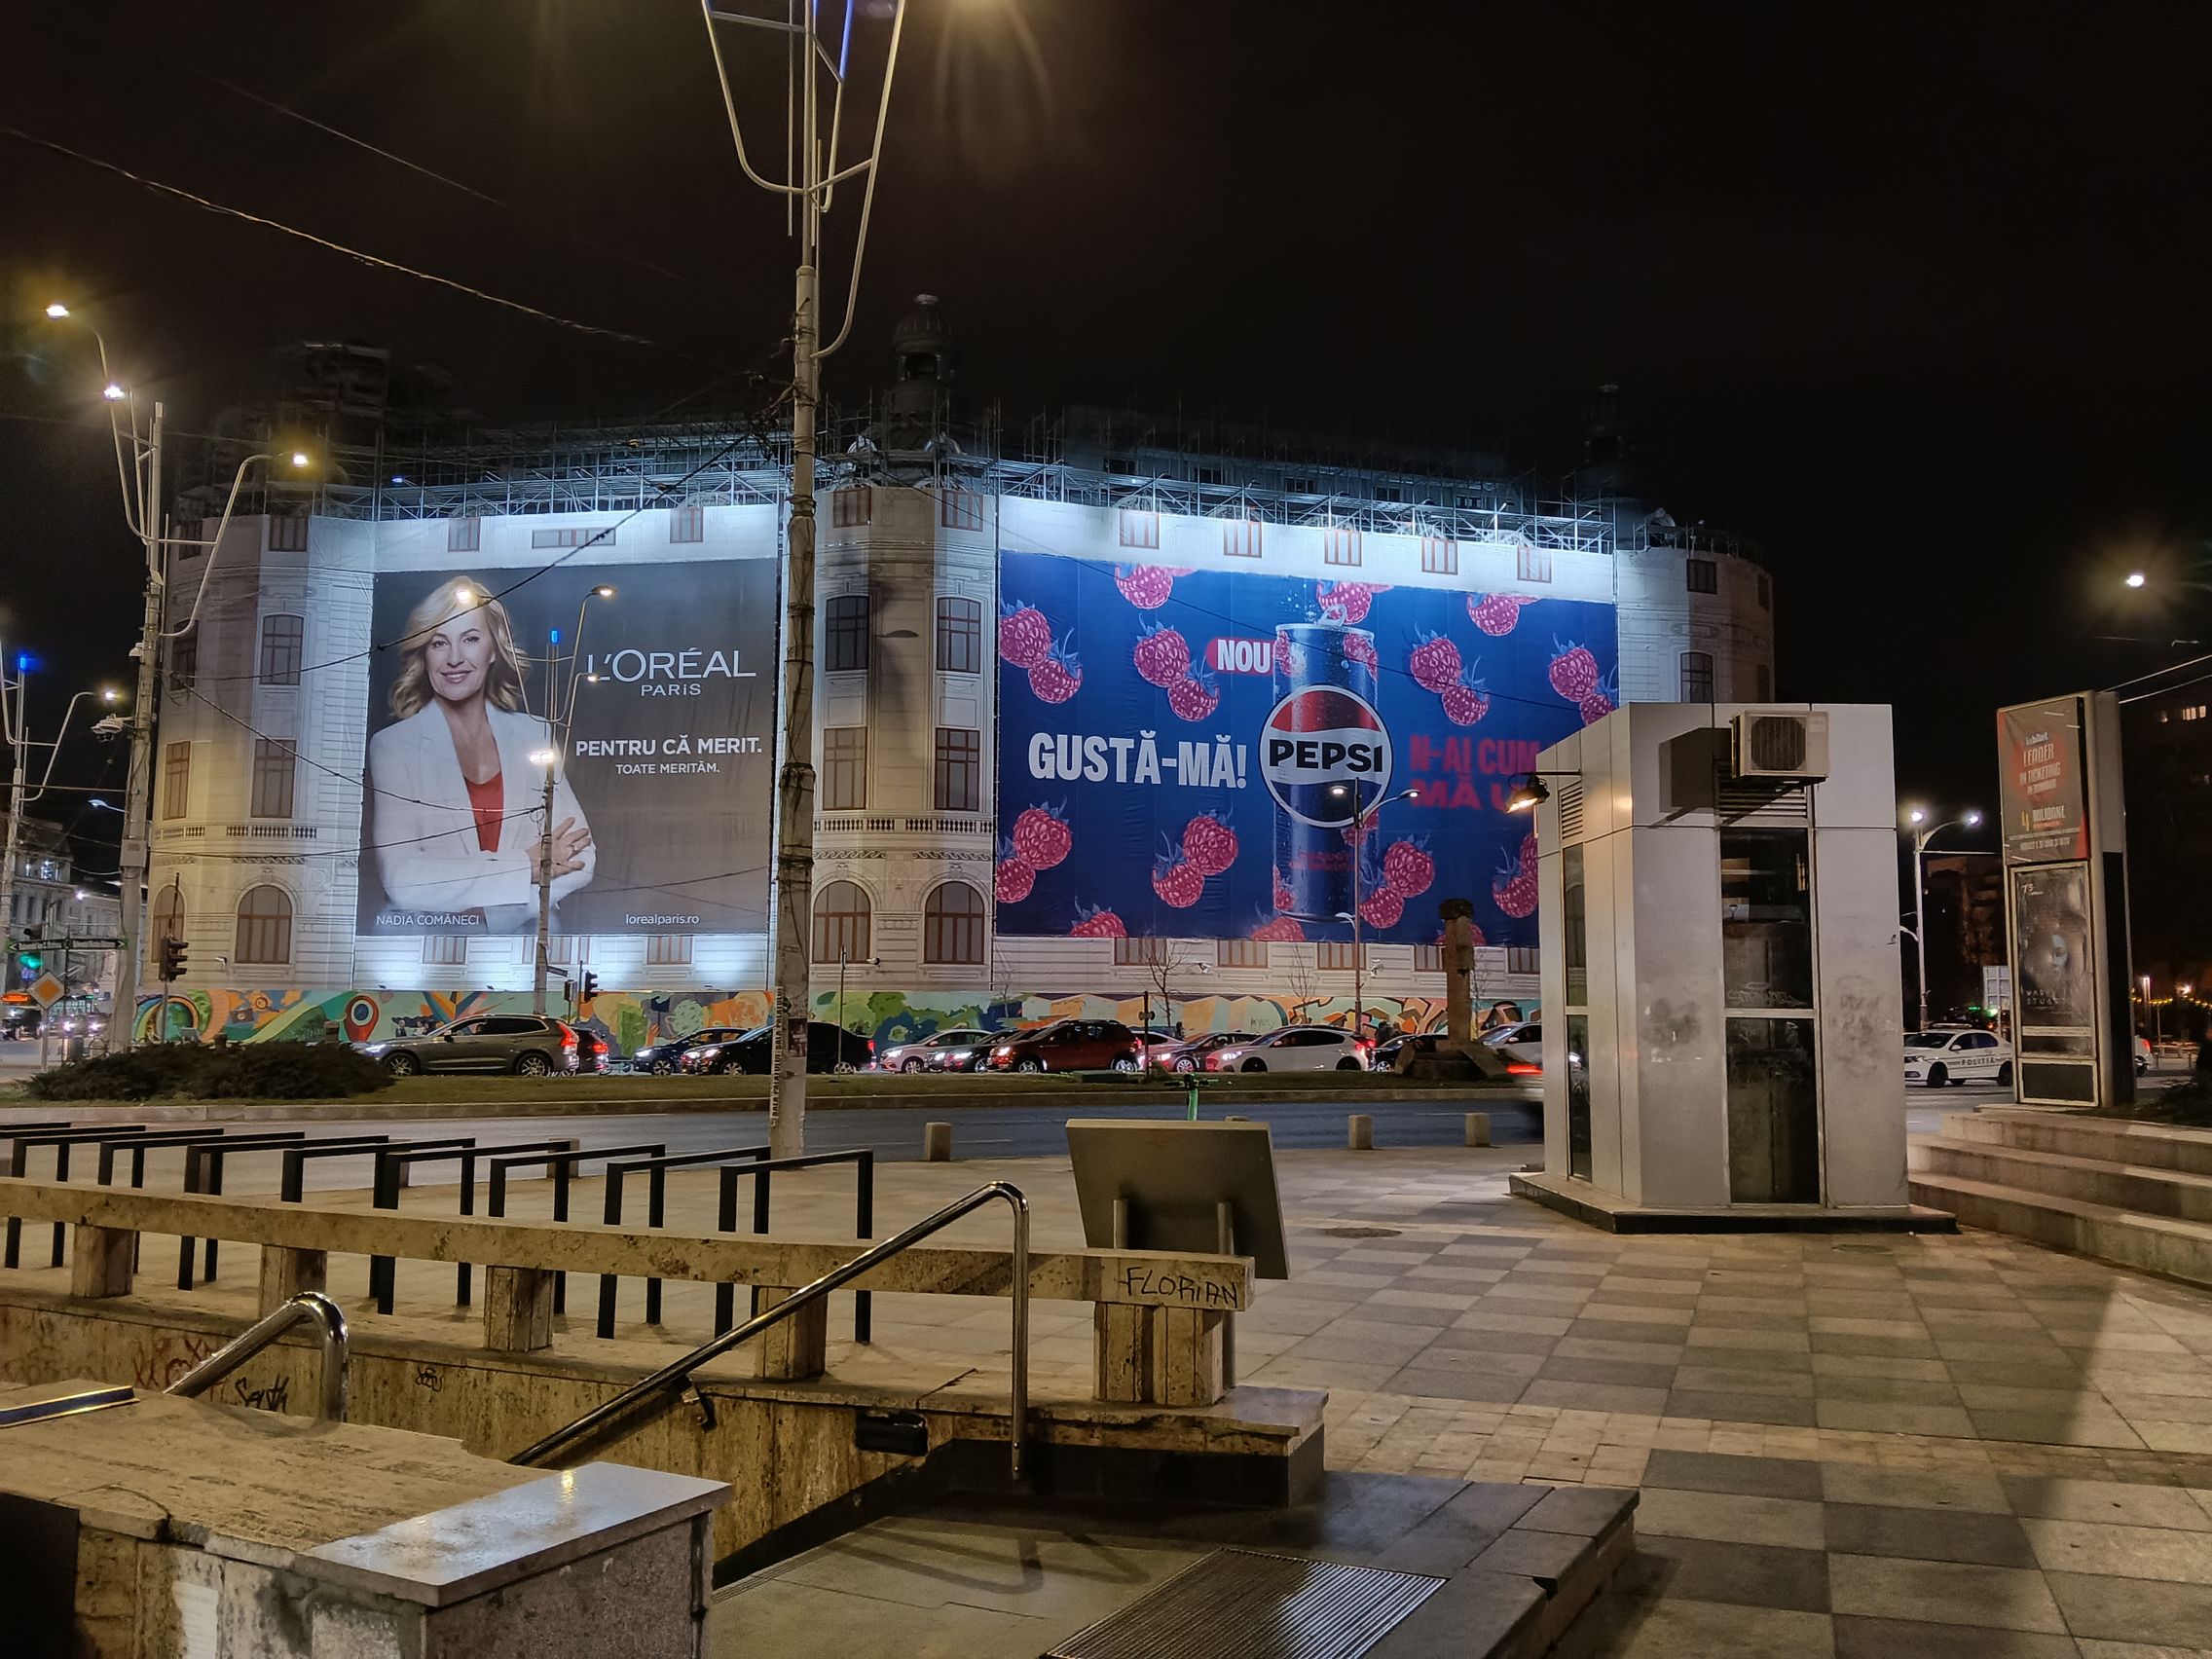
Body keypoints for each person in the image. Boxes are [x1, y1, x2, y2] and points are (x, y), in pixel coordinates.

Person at [365, 576, 594, 933]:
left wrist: (494, 914)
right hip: (423, 940)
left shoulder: (534, 733)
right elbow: (403, 879)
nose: (455, 658)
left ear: (493, 649)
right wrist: (524, 866)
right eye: (439, 643)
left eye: (470, 639)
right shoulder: (393, 746)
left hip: (526, 939)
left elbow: (581, 856)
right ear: (424, 654)